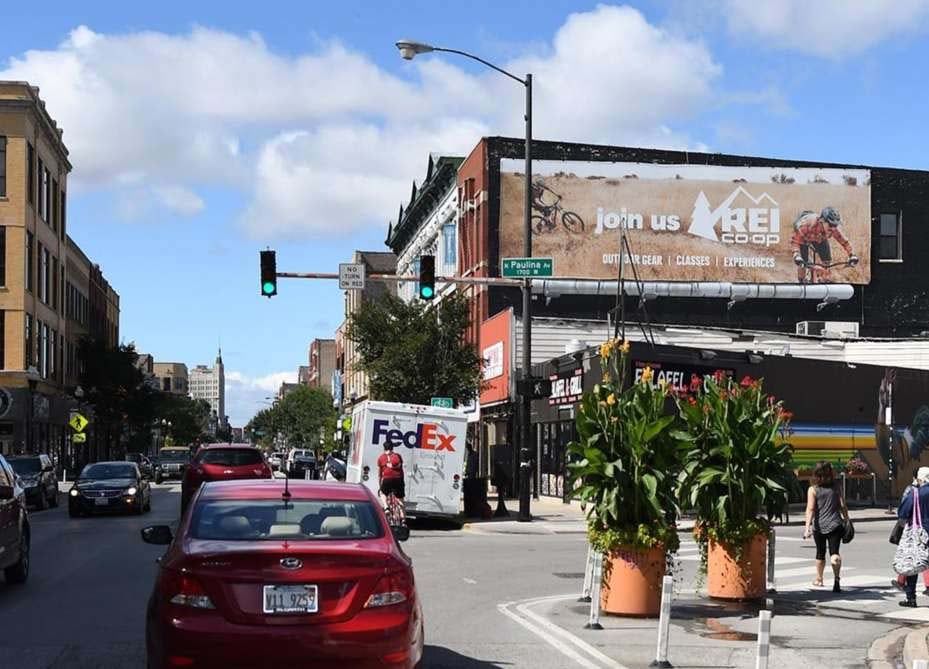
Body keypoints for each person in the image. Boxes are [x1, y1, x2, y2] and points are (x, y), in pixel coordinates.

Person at [804, 461, 850, 592]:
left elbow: (810, 509)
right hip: (835, 524)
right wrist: (847, 519)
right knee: (834, 554)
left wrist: (807, 528)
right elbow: (842, 505)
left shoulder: (813, 489)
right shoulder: (836, 486)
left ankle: (819, 579)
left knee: (820, 553)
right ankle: (836, 579)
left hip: (819, 526)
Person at [791, 207, 859, 282]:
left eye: (835, 225)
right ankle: (801, 280)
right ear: (822, 221)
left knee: (827, 261)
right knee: (803, 262)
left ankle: (823, 280)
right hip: (804, 237)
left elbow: (844, 242)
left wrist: (852, 255)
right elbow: (795, 241)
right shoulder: (806, 225)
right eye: (830, 225)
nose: (833, 228)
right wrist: (796, 255)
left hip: (819, 238)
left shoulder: (833, 229)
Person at [897, 466, 929, 607]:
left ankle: (911, 598)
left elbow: (903, 513)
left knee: (913, 562)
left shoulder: (916, 493)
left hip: (920, 533)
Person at [376, 442, 405, 523]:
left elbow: (380, 474)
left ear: (384, 448)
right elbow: (400, 466)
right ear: (392, 448)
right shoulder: (397, 456)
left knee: (382, 493)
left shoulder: (381, 458)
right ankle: (403, 520)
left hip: (387, 479)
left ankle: (386, 507)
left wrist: (380, 486)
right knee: (401, 499)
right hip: (398, 479)